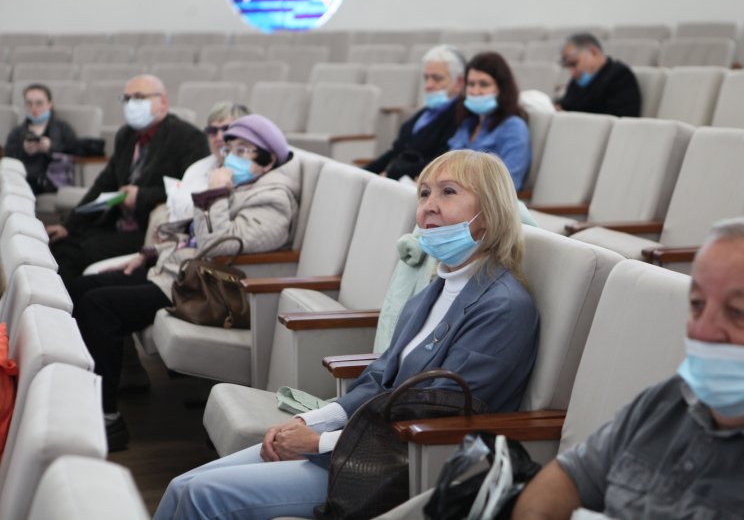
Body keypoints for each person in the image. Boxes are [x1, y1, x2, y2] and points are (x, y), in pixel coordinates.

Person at [154, 149, 540, 520]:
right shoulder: (432, 291)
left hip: (400, 467)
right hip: (360, 446)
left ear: (489, 213)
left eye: (448, 192)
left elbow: (442, 414)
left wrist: (319, 443)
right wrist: (310, 423)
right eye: (424, 193)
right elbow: (380, 377)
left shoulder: (503, 307)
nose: (429, 206)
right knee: (182, 485)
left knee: (201, 495)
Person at [511, 215, 744, 520]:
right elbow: (569, 477)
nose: (703, 331)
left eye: (739, 313)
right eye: (697, 305)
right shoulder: (671, 398)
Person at [69, 114, 301, 452]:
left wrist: (214, 193)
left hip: (209, 288)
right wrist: (150, 254)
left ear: (268, 161)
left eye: (244, 151)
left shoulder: (274, 199)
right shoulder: (247, 185)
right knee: (82, 287)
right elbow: (193, 234)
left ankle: (108, 418)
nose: (231, 158)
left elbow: (218, 245)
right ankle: (82, 395)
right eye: (230, 149)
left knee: (99, 307)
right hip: (181, 273)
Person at [45, 74, 209, 287]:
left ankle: (69, 304)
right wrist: (70, 224)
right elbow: (104, 183)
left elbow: (190, 193)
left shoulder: (187, 137)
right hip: (118, 221)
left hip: (152, 230)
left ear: (163, 102)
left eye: (139, 97)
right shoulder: (127, 135)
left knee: (83, 251)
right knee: (61, 244)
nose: (131, 104)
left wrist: (141, 196)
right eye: (127, 98)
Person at [364, 45, 465, 180]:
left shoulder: (461, 116)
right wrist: (362, 173)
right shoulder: (425, 113)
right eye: (426, 78)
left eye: (437, 78)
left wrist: (392, 173)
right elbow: (395, 151)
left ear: (459, 82)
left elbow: (441, 161)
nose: (428, 85)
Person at [448, 52, 531, 191]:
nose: (475, 91)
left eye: (484, 84)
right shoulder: (467, 125)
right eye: (471, 84)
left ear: (501, 88)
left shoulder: (514, 127)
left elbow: (509, 184)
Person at [165, 101, 251, 222]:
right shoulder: (197, 168)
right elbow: (180, 212)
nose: (219, 137)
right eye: (212, 131)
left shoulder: (255, 169)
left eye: (227, 129)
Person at [4, 83, 78, 194]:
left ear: (49, 104)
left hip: (51, 181)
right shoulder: (17, 133)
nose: (34, 108)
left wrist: (51, 148)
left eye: (39, 103)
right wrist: (24, 150)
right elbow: (8, 157)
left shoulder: (62, 128)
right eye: (29, 103)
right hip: (23, 179)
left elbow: (75, 151)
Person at [556, 33, 642, 117]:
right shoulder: (577, 81)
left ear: (594, 52)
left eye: (574, 63)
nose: (572, 72)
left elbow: (619, 117)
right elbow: (567, 105)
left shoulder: (620, 77)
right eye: (568, 66)